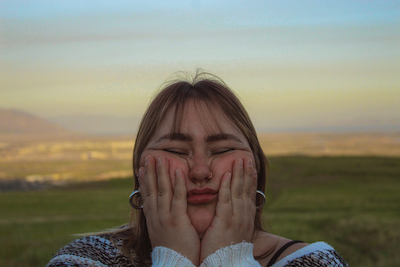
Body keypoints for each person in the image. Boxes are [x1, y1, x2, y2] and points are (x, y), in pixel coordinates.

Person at [47, 71, 348, 267]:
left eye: (223, 150)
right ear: (140, 170)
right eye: (176, 151)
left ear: (255, 164)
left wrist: (229, 259)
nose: (201, 171)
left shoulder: (313, 261)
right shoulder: (84, 259)